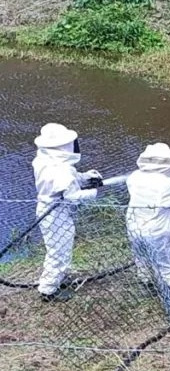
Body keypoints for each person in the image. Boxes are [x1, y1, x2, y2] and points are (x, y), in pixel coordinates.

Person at [31, 123, 103, 303]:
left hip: (50, 210)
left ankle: (56, 280)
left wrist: (84, 177)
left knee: (58, 248)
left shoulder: (46, 161)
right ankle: (48, 291)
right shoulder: (60, 170)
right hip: (56, 214)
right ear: (63, 146)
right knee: (59, 251)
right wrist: (92, 193)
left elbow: (68, 179)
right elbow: (72, 196)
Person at [125, 143, 170, 299]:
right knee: (166, 259)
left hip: (134, 228)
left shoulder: (134, 177)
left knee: (141, 256)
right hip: (158, 232)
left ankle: (146, 282)